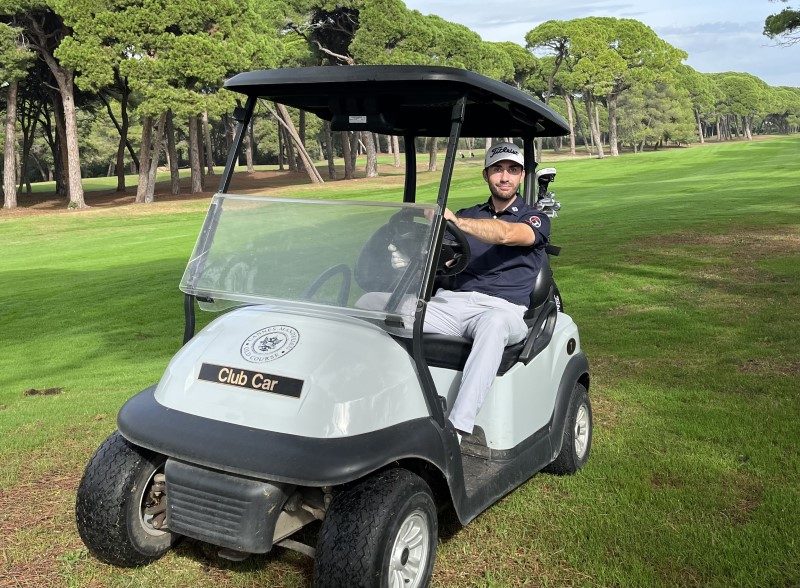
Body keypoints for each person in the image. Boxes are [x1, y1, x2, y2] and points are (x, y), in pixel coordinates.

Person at [424, 142, 551, 440]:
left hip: (503, 310)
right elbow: (441, 256)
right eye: (497, 169)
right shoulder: (469, 213)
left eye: (512, 170)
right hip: (451, 304)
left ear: (521, 176)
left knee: (493, 325)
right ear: (486, 175)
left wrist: (458, 222)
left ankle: (455, 428)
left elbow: (507, 234)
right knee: (380, 306)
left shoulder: (533, 217)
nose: (504, 177)